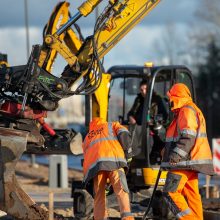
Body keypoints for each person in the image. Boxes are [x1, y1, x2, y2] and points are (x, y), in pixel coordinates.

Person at [161, 83, 214, 220]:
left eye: (171, 97)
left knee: (170, 192)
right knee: (192, 196)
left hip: (183, 161)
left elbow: (188, 136)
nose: (169, 101)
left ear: (177, 96)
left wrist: (175, 155)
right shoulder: (188, 110)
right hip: (190, 161)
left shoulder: (186, 110)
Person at [82, 117, 134, 220]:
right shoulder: (112, 125)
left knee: (99, 195)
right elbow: (124, 134)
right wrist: (128, 153)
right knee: (121, 190)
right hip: (115, 162)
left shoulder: (88, 136)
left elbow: (86, 157)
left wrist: (87, 178)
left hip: (96, 168)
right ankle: (127, 217)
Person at [127, 80, 168, 163]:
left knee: (149, 139)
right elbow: (131, 112)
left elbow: (164, 115)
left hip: (152, 129)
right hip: (138, 128)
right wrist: (131, 117)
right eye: (141, 90)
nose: (143, 92)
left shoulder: (157, 100)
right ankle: (133, 158)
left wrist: (153, 121)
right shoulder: (138, 99)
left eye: (145, 89)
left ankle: (149, 159)